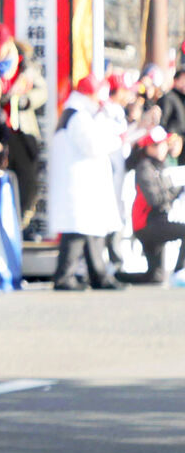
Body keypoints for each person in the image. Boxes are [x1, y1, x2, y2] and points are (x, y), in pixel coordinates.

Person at [46, 74, 127, 291]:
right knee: (77, 231)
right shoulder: (77, 116)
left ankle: (96, 274)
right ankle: (66, 276)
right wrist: (116, 140)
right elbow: (92, 145)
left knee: (89, 231)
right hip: (78, 183)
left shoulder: (76, 113)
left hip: (83, 182)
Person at [0, 22, 48, 224]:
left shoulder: (25, 64)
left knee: (27, 180)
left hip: (21, 130)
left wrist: (25, 101)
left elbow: (42, 92)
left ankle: (21, 221)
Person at [128, 125, 185, 283]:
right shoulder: (145, 167)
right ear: (148, 147)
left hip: (156, 221)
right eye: (156, 145)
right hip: (147, 224)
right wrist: (175, 188)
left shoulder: (160, 166)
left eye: (163, 144)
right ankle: (180, 271)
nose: (161, 148)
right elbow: (154, 200)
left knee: (155, 276)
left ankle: (119, 277)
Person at [158, 68, 185, 138]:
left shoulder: (181, 98)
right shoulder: (169, 97)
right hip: (172, 138)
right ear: (176, 80)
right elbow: (163, 121)